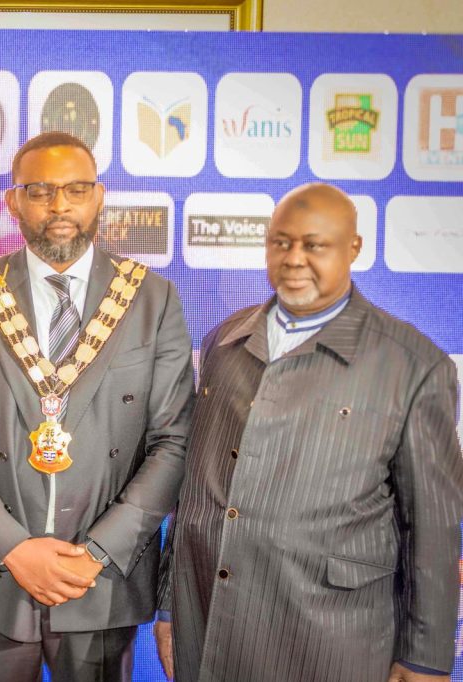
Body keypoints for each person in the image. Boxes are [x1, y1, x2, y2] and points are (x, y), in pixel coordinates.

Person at [156, 182, 463, 682]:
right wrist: (171, 605)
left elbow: (432, 528)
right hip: (208, 623)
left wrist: (424, 657)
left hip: (330, 639)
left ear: (353, 248)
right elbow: (195, 491)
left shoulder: (414, 366)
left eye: (314, 244)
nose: (294, 258)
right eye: (281, 242)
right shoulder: (224, 342)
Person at [0, 131, 195, 681]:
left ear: (99, 197)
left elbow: (173, 444)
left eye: (76, 189)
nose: (59, 205)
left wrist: (97, 553)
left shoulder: (151, 299)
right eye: (41, 190)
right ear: (14, 202)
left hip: (101, 582)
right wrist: (15, 549)